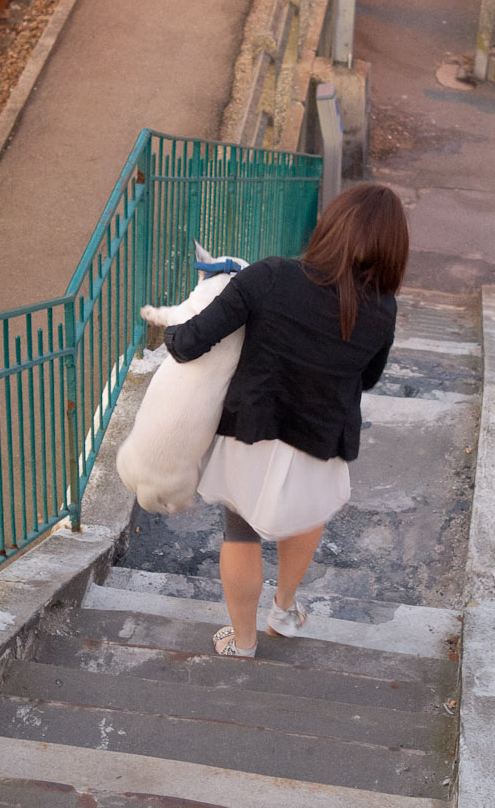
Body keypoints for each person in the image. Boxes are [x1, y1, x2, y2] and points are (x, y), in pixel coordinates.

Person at [159, 183, 408, 657]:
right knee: (306, 515)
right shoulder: (381, 309)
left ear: (330, 227)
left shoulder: (271, 276)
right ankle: (285, 609)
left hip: (253, 428)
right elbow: (370, 377)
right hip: (321, 437)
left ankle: (244, 642)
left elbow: (190, 342)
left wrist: (174, 329)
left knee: (240, 532)